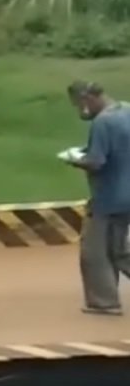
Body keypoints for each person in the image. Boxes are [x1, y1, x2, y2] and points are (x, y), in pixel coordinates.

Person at [65, 80, 130, 315]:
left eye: (79, 105)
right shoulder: (126, 110)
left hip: (108, 198)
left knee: (94, 252)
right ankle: (105, 300)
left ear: (86, 99)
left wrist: (74, 160)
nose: (80, 111)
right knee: (118, 250)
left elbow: (96, 162)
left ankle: (104, 302)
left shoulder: (103, 122)